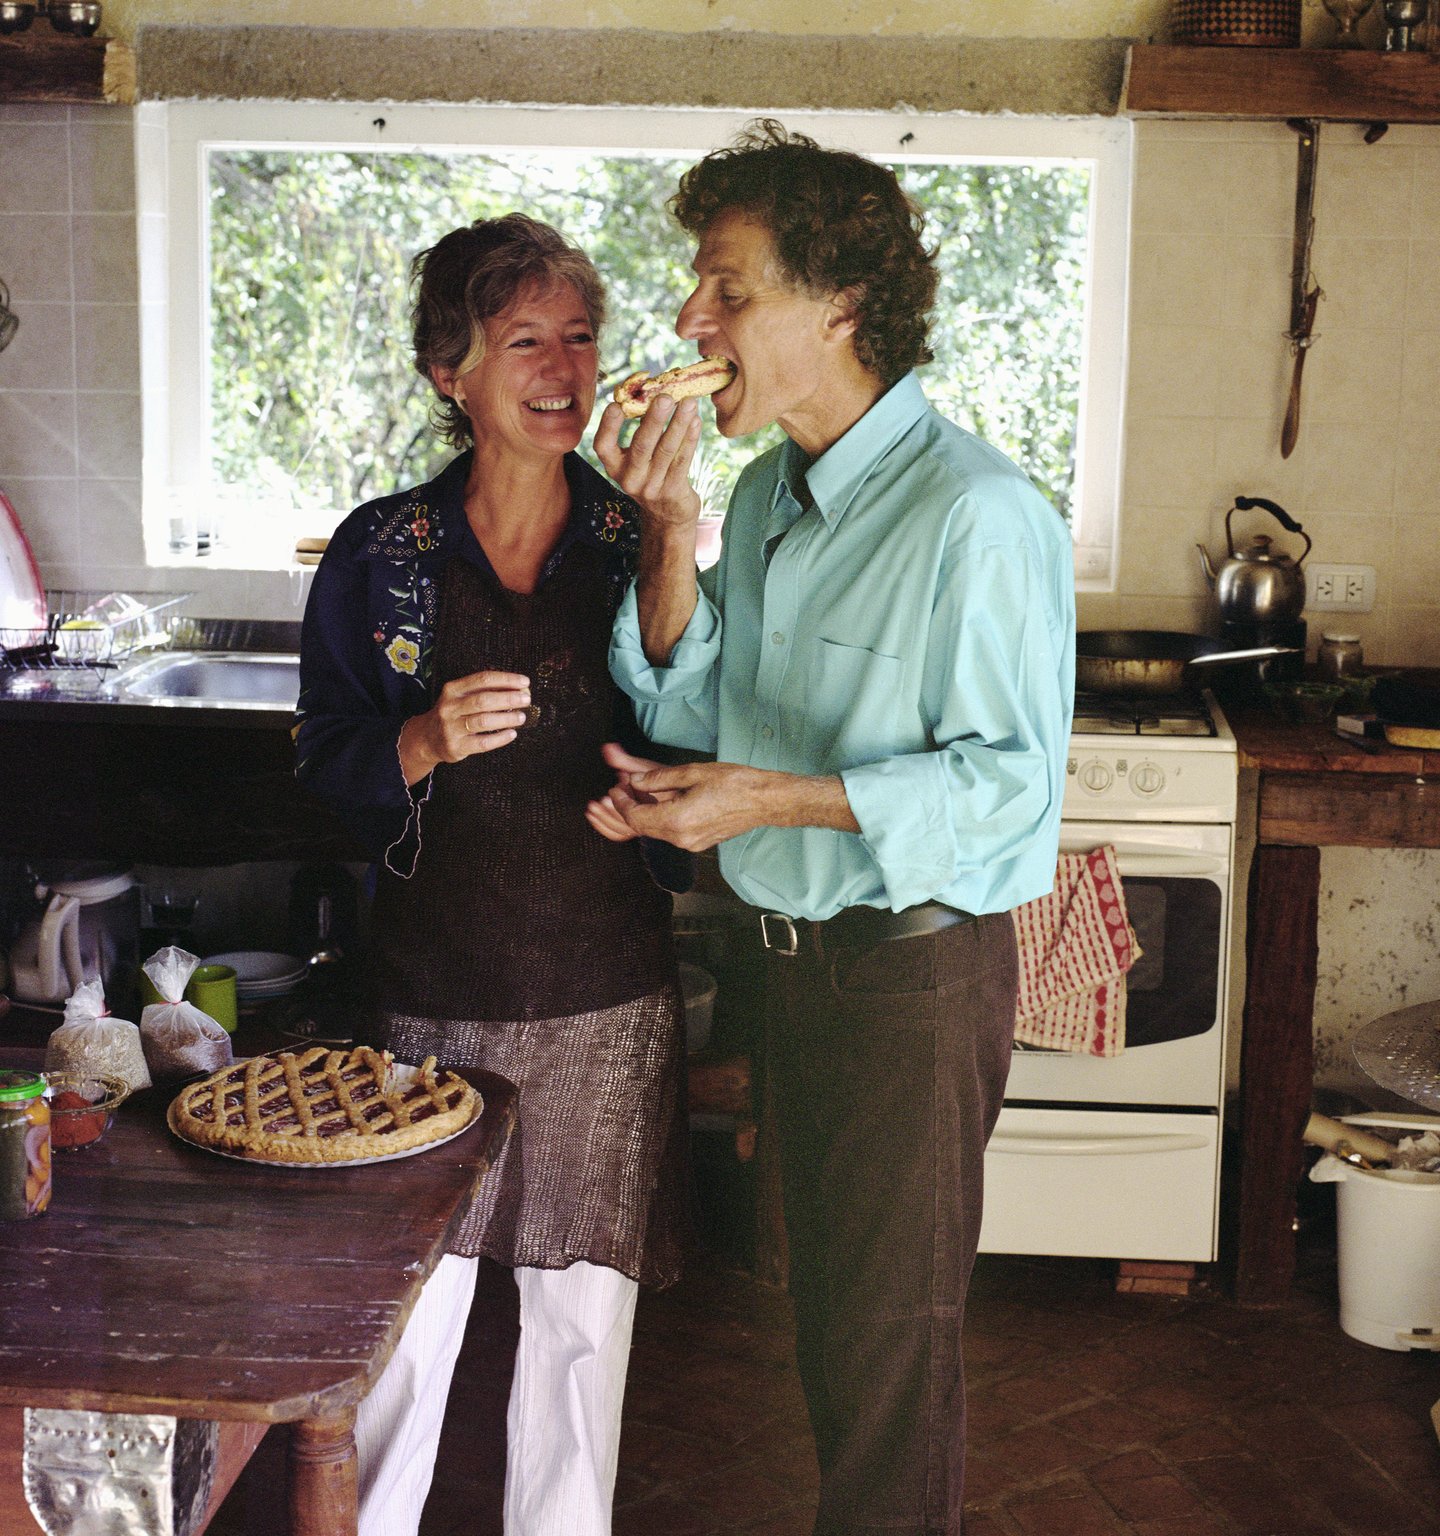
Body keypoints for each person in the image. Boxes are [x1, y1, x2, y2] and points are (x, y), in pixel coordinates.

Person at [587, 122, 1075, 1534]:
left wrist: (771, 799)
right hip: (792, 969)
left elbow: (1009, 790)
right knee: (835, 1332)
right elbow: (694, 698)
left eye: (729, 289)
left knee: (887, 1358)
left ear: (841, 307)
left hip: (908, 979)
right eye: (698, 285)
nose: (691, 318)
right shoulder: (762, 495)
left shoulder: (978, 516)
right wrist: (667, 529)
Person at [293, 213, 689, 1536]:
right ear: (448, 371)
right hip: (428, 992)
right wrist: (419, 738)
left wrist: (666, 790)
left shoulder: (637, 538)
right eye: (525, 339)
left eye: (581, 336)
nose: (564, 368)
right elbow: (321, 761)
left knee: (581, 1337)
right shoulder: (383, 553)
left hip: (602, 991)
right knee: (406, 1327)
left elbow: (697, 721)